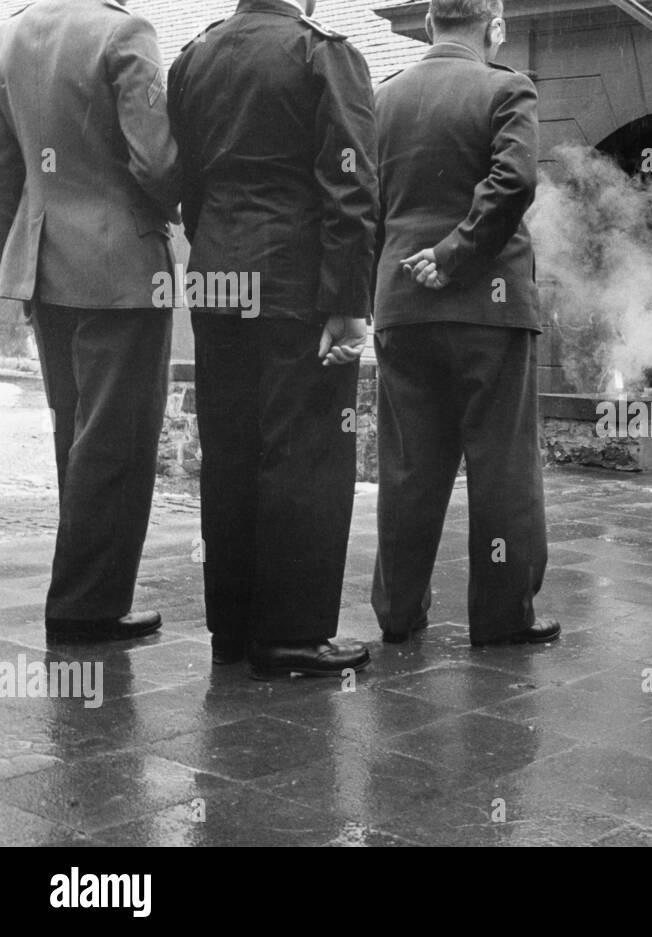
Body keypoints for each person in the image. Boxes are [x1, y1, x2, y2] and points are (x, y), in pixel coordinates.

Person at [167, 0, 377, 679]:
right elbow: (348, 184)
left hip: (216, 273)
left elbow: (188, 183)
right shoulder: (323, 53)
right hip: (293, 276)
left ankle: (231, 628)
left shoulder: (194, 57)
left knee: (228, 448)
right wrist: (347, 302)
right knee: (305, 449)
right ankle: (290, 635)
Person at [370, 0, 558, 648]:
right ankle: (503, 618)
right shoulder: (508, 87)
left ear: (429, 25)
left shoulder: (383, 97)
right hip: (490, 306)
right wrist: (452, 258)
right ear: (494, 27)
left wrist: (389, 280)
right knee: (502, 466)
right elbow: (515, 180)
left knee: (406, 468)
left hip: (402, 310)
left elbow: (362, 205)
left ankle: (398, 613)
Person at [0, 0, 179, 645]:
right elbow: (157, 162)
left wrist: (12, 262)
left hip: (46, 262)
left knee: (75, 433)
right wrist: (178, 206)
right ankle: (89, 607)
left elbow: (7, 171)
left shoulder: (11, 33)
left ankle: (80, 596)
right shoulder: (124, 31)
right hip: (121, 266)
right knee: (118, 438)